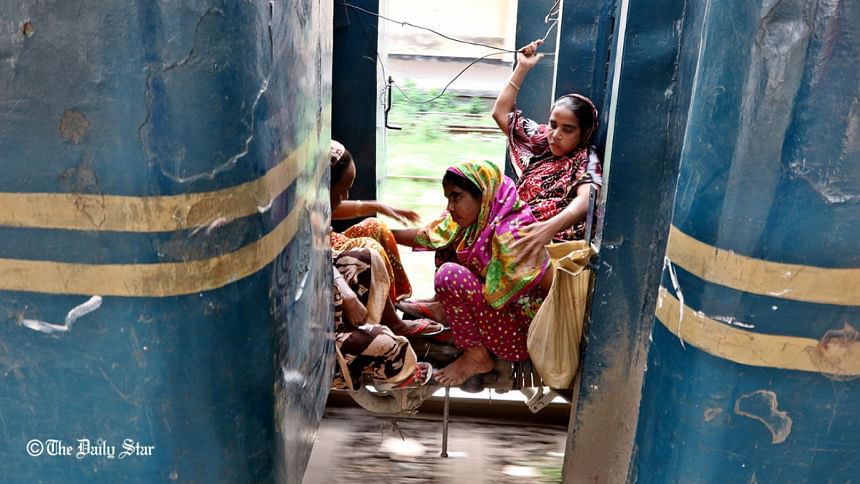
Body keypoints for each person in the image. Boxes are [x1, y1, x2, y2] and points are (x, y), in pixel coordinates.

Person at [394, 160, 550, 385]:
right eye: (448, 198)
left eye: (456, 197)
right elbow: (431, 235)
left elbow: (551, 287)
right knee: (447, 239)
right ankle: (441, 305)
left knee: (449, 275)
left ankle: (476, 356)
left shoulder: (514, 233)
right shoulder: (477, 222)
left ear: (483, 195)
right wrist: (387, 233)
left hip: (519, 337)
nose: (450, 207)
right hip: (498, 319)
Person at [329, 141, 434, 391]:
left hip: (328, 247)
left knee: (376, 228)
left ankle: (392, 309)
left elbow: (334, 206)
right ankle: (389, 325)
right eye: (342, 190)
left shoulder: (320, 198)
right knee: (368, 246)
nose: (345, 197)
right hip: (326, 256)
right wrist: (346, 294)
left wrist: (378, 207)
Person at [491, 38, 603, 265]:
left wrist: (548, 228)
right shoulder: (540, 139)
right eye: (553, 125)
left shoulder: (585, 159)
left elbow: (586, 199)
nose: (556, 135)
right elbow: (500, 113)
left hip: (545, 244)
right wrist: (521, 68)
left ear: (584, 133)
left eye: (568, 129)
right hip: (516, 229)